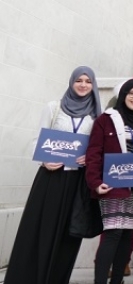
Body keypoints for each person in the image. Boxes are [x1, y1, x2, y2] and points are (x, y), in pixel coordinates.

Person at [5, 66, 101, 284]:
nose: (83, 85)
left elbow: (98, 148)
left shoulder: (96, 115)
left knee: (68, 235)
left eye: (88, 81)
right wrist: (44, 161)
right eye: (79, 80)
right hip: (50, 179)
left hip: (77, 182)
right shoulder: (54, 107)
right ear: (71, 82)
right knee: (39, 229)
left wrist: (90, 158)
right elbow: (37, 140)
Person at [85, 79, 133, 284]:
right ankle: (100, 280)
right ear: (123, 95)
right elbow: (94, 153)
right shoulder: (106, 120)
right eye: (132, 93)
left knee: (127, 236)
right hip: (113, 185)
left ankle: (117, 280)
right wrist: (95, 181)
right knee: (114, 233)